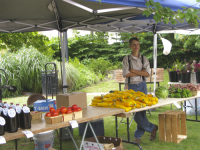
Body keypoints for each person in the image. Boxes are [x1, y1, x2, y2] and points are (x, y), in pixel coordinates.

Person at [122, 37, 158, 144]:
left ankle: (138, 136)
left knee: (142, 112)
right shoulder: (126, 59)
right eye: (134, 44)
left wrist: (133, 70)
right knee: (136, 114)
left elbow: (147, 74)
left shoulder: (144, 59)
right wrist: (140, 71)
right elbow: (126, 74)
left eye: (138, 44)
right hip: (131, 87)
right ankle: (152, 128)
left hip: (142, 85)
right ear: (130, 46)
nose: (136, 46)